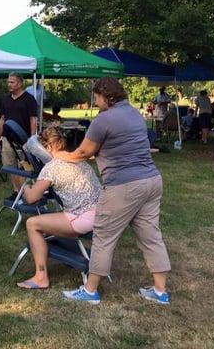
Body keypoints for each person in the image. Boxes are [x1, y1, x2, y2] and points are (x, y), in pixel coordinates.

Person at [55, 77, 170, 305]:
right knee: (151, 236)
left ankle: (90, 291)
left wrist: (60, 156)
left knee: (104, 236)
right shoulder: (135, 114)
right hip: (152, 181)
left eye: (96, 98)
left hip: (123, 186)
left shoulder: (104, 120)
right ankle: (160, 292)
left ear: (106, 96)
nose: (95, 103)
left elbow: (82, 153)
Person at [16, 127, 100, 289]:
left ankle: (41, 277)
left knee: (32, 224)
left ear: (46, 148)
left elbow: (32, 198)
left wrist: (23, 184)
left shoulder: (52, 167)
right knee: (51, 221)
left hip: (83, 218)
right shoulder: (77, 159)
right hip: (102, 213)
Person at [0, 72, 38, 201]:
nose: (9, 84)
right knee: (9, 166)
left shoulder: (29, 99)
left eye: (12, 82)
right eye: (8, 82)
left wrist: (32, 139)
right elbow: (2, 120)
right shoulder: (6, 100)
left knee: (24, 166)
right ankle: (16, 191)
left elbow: (33, 120)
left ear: (20, 83)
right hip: (7, 139)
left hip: (24, 140)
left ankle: (26, 193)